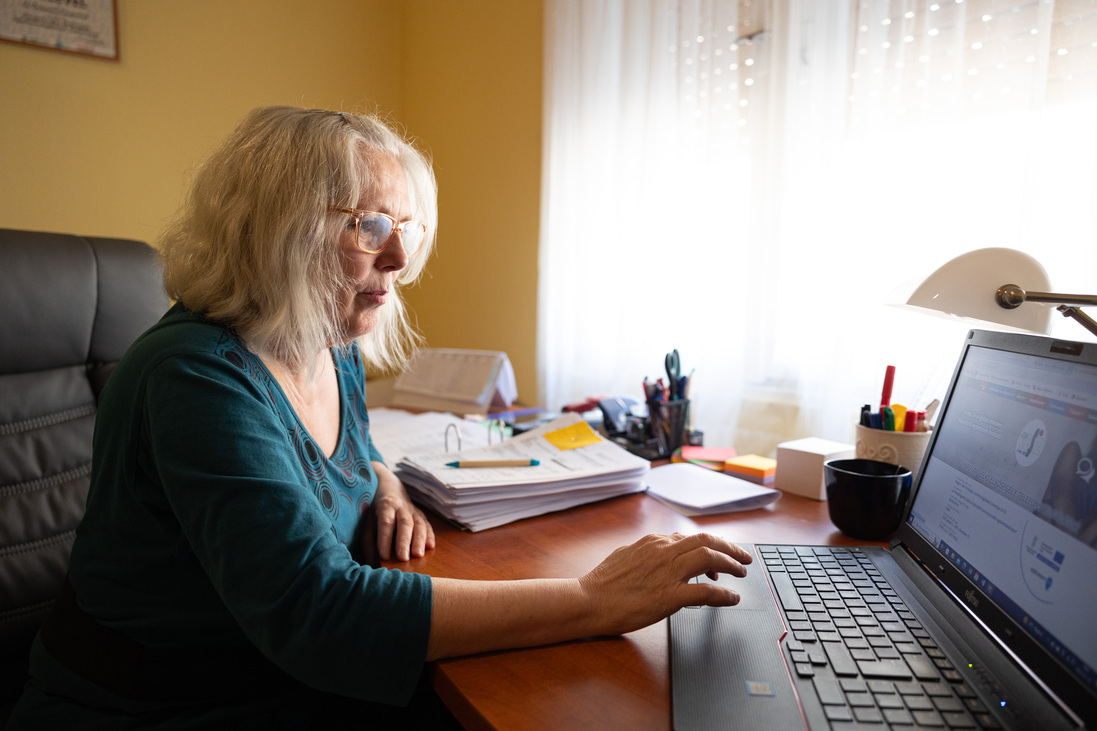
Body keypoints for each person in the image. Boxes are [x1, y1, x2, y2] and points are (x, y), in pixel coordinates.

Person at [9, 106, 752, 728]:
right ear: (275, 227)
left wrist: (387, 485)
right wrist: (592, 597)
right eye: (368, 225)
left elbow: (355, 451)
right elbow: (322, 613)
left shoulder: (330, 346)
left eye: (405, 226)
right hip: (151, 707)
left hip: (275, 678)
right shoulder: (195, 374)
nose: (398, 257)